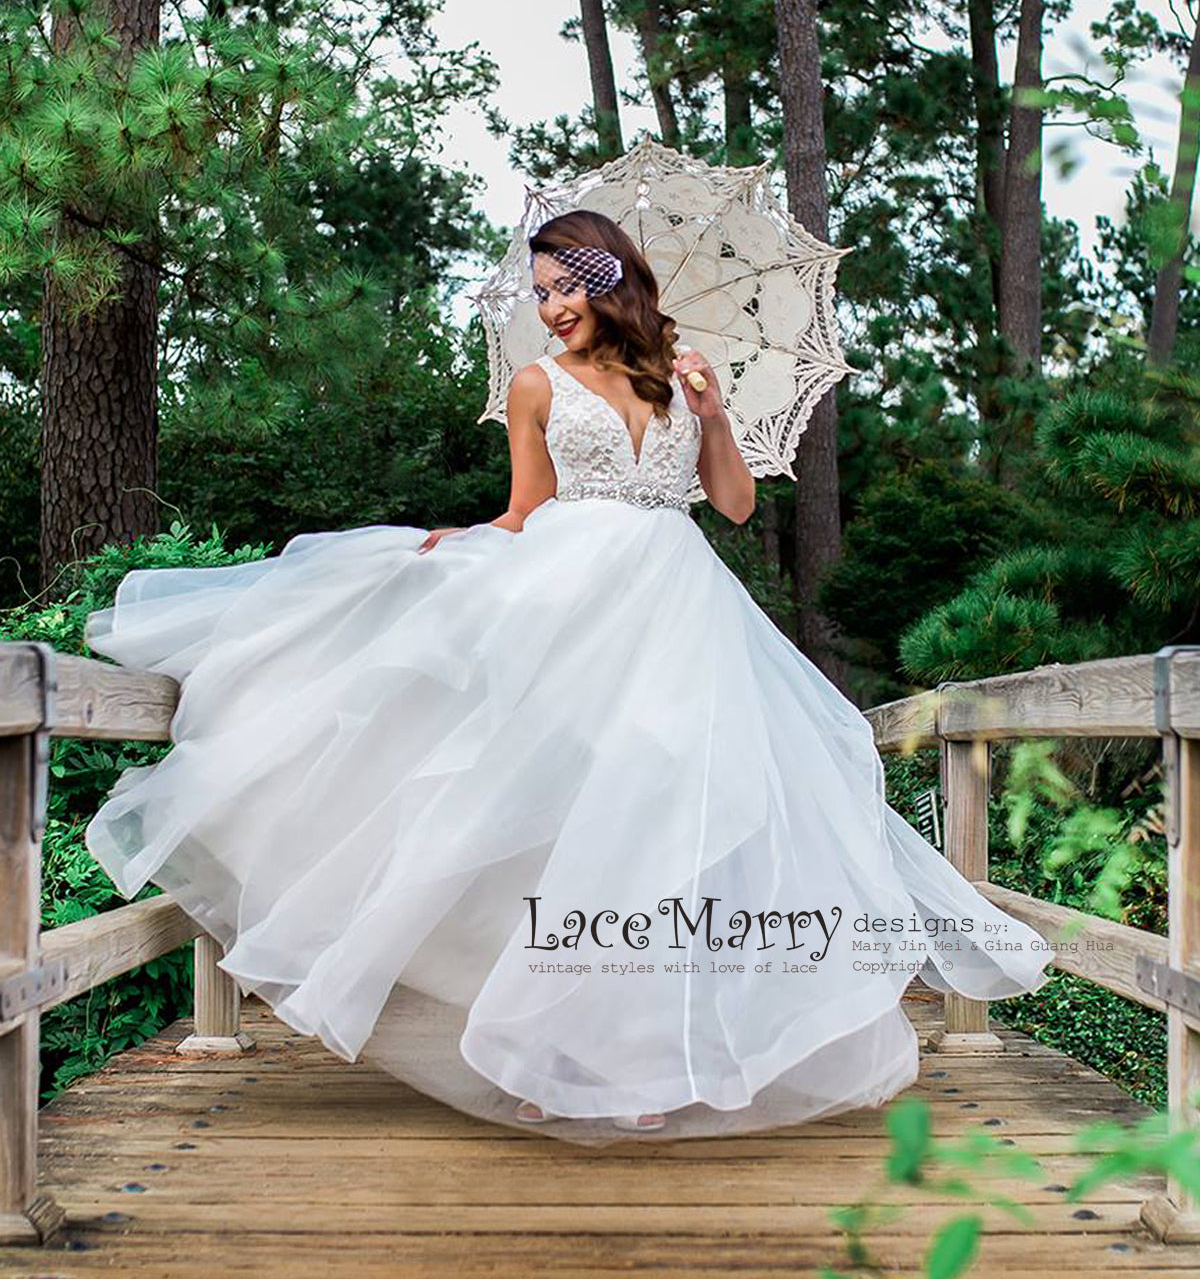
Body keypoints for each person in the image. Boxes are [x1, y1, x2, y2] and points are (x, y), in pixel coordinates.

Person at [84, 208, 1051, 1145]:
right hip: (569, 604)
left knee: (657, 819)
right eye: (539, 291)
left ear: (610, 279)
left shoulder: (681, 379)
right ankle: (544, 1051)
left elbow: (737, 504)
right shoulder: (536, 385)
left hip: (678, 607)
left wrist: (714, 414)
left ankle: (639, 1059)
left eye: (565, 286)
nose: (550, 306)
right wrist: (457, 546)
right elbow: (522, 513)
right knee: (555, 820)